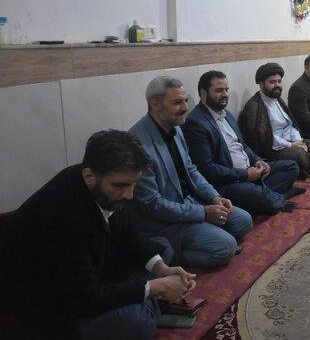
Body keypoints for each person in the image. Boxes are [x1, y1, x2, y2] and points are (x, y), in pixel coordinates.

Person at [0, 130, 196, 339]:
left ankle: (145, 303)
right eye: (121, 185)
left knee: (162, 248)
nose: (130, 194)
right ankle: (149, 307)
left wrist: (162, 269)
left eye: (134, 184)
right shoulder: (62, 216)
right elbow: (84, 298)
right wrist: (154, 287)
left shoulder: (101, 186)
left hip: (92, 271)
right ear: (89, 176)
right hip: (49, 303)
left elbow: (129, 233)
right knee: (139, 325)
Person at [130, 76, 252, 269]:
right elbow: (152, 204)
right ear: (155, 104)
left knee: (243, 221)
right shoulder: (138, 143)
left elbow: (191, 169)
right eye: (177, 102)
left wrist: (214, 197)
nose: (185, 107)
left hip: (191, 202)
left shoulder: (175, 127)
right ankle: (169, 255)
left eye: (186, 100)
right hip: (165, 221)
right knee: (225, 248)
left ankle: (207, 233)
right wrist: (202, 213)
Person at [184, 70, 304, 216]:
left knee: (291, 167)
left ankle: (264, 194)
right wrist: (245, 175)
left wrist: (257, 161)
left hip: (249, 173)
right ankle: (278, 196)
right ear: (204, 93)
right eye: (219, 90)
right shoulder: (196, 122)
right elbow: (207, 169)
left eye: (227, 90)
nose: (225, 94)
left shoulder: (227, 114)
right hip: (228, 182)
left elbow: (243, 146)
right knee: (268, 201)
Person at [238, 63, 310, 179]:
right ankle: (305, 170)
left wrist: (298, 141)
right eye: (272, 82)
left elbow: (290, 125)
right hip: (271, 148)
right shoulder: (254, 105)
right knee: (298, 154)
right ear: (261, 84)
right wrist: (291, 145)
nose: (277, 85)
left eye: (279, 81)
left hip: (288, 141)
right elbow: (263, 138)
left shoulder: (277, 100)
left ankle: (308, 169)